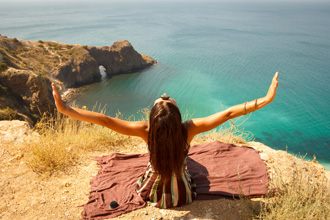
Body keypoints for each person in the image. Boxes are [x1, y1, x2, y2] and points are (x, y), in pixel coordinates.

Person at [52, 72, 279, 208]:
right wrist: (266, 99)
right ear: (177, 116)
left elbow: (105, 120)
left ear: (153, 117)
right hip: (183, 194)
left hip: (152, 191)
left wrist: (66, 109)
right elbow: (228, 114)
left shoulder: (146, 130)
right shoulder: (188, 129)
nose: (165, 96)